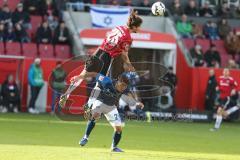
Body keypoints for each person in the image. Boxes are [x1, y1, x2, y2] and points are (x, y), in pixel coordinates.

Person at [59, 10, 143, 108]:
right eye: (139, 26)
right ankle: (89, 105)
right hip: (106, 57)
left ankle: (67, 94)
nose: (140, 28)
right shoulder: (128, 37)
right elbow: (124, 55)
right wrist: (130, 65)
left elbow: (109, 38)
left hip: (98, 52)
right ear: (134, 27)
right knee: (100, 83)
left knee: (82, 75)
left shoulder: (118, 28)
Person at [79, 73, 144, 152]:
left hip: (111, 107)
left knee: (119, 129)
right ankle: (85, 137)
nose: (123, 87)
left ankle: (114, 147)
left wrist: (137, 102)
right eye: (122, 85)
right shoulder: (108, 82)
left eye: (125, 86)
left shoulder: (125, 88)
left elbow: (130, 95)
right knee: (96, 115)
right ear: (118, 81)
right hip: (100, 102)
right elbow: (97, 80)